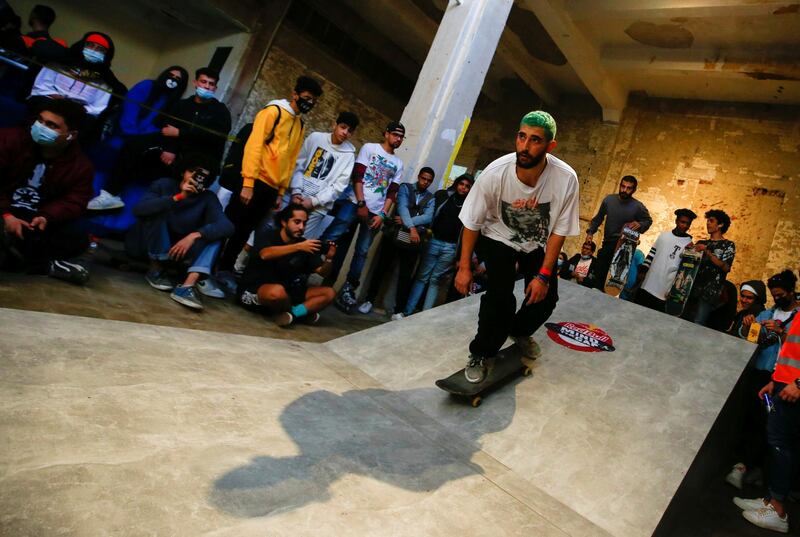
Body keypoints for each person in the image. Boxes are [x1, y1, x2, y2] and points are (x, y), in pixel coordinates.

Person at [455, 110, 580, 383]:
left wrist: (544, 275)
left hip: (537, 242)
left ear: (550, 146)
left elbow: (559, 230)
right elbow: (472, 222)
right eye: (522, 137)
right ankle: (481, 352)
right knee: (500, 298)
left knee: (544, 299)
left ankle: (519, 331)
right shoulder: (495, 172)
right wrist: (464, 267)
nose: (525, 146)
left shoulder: (565, 178)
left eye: (535, 140)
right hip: (498, 236)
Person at [217, 75, 322, 271]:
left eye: (313, 101)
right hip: (254, 181)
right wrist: (248, 183)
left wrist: (281, 192)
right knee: (229, 226)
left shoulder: (300, 125)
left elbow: (291, 161)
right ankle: (204, 269)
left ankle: (224, 269)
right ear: (295, 94)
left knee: (245, 231)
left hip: (272, 189)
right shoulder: (273, 112)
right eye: (306, 97)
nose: (309, 103)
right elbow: (254, 147)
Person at [89, 67, 231, 210]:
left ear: (215, 88)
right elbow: (168, 130)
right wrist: (170, 149)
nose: (206, 86)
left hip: (201, 157)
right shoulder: (181, 105)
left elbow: (216, 136)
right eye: (203, 82)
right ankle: (111, 194)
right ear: (195, 83)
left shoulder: (221, 111)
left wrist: (181, 133)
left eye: (211, 84)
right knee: (134, 145)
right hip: (176, 151)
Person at [734, 273, 800, 534]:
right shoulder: (775, 314)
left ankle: (778, 510)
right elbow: (791, 352)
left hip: (793, 388)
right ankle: (771, 499)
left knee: (782, 446)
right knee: (775, 441)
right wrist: (777, 380)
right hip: (781, 383)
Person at [0, 98, 93, 283]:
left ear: (71, 135)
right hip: (4, 209)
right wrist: (6, 215)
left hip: (35, 220)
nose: (41, 127)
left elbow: (75, 200)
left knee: (78, 236)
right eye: (40, 121)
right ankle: (44, 265)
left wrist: (47, 216)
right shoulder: (8, 139)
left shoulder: (81, 166)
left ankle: (17, 255)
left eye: (51, 125)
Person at [125, 154, 234, 310]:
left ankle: (187, 286)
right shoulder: (164, 185)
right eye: (193, 172)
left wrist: (195, 235)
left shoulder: (207, 197)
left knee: (215, 235)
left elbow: (227, 226)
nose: (195, 177)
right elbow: (139, 209)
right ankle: (155, 269)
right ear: (184, 171)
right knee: (156, 212)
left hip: (178, 251)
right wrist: (179, 197)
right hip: (147, 246)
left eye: (202, 175)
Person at [320, 120, 406, 312]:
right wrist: (360, 203)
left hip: (375, 213)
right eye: (395, 135)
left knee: (362, 252)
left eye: (401, 137)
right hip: (354, 203)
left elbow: (392, 192)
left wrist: (383, 215)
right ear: (386, 134)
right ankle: (309, 268)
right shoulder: (370, 148)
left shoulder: (398, 163)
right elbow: (357, 176)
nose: (398, 139)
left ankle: (348, 290)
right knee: (334, 236)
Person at [237, 203, 336, 327]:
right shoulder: (269, 235)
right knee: (277, 292)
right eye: (297, 222)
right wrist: (298, 247)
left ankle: (293, 314)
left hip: (288, 292)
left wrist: (329, 259)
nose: (301, 227)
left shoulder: (304, 244)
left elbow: (322, 272)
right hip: (256, 290)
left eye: (304, 223)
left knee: (329, 293)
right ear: (284, 222)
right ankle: (301, 312)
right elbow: (265, 254)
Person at [359, 166, 435, 319]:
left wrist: (408, 224)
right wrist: (414, 226)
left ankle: (398, 310)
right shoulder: (405, 188)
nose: (425, 182)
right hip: (394, 235)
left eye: (429, 180)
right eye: (423, 178)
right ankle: (368, 300)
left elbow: (428, 217)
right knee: (381, 269)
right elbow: (402, 208)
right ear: (418, 176)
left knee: (405, 276)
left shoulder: (431, 198)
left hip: (412, 241)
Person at [401, 173, 474, 316]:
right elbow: (430, 215)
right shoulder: (443, 196)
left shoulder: (471, 206)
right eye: (461, 184)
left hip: (451, 248)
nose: (463, 188)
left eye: (467, 187)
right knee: (422, 277)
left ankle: (424, 317)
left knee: (435, 281)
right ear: (457, 183)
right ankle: (407, 312)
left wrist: (460, 256)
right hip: (434, 241)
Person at [289, 111, 359, 240]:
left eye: (349, 131)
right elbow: (298, 164)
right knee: (279, 234)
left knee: (300, 243)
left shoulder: (349, 156)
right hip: (295, 198)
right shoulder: (316, 138)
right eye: (343, 127)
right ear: (334, 125)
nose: (345, 132)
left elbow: (338, 187)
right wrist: (296, 191)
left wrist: (314, 201)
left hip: (318, 208)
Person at [29, 31, 126, 118]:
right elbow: (41, 86)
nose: (93, 51)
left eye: (100, 49)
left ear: (106, 55)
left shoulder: (106, 79)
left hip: (78, 114)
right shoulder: (60, 62)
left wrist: (76, 108)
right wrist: (61, 102)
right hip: (48, 102)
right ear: (82, 45)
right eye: (90, 45)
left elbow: (98, 107)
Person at [583, 175, 652, 291]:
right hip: (608, 242)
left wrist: (640, 224)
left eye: (629, 188)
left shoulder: (638, 207)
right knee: (599, 273)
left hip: (624, 246)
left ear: (634, 190)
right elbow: (598, 218)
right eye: (623, 186)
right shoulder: (609, 200)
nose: (624, 190)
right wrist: (590, 233)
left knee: (614, 281)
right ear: (620, 186)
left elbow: (648, 221)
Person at [633, 208, 697, 312]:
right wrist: (643, 272)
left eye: (688, 224)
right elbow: (651, 254)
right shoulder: (663, 236)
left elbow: (685, 270)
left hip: (665, 288)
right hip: (648, 282)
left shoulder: (689, 244)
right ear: (676, 221)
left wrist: (675, 290)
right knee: (637, 312)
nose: (685, 226)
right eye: (682, 222)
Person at [684, 209, 735, 326]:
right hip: (692, 289)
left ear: (720, 225)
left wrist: (707, 252)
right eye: (707, 221)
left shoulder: (728, 245)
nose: (708, 223)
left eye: (711, 221)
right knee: (683, 320)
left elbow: (726, 267)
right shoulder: (701, 242)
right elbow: (689, 264)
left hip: (710, 293)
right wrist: (688, 251)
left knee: (697, 323)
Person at [116, 66, 188, 139]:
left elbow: (159, 125)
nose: (172, 79)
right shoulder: (147, 85)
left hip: (142, 140)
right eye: (170, 75)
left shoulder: (172, 101)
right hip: (121, 134)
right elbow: (130, 109)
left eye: (177, 79)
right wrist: (132, 134)